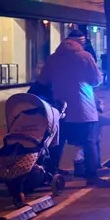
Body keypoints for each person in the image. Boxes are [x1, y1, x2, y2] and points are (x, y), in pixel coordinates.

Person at [38, 37, 102, 185]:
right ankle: (91, 176)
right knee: (89, 142)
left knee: (57, 142)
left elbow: (43, 80)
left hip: (60, 108)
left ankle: (51, 173)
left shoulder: (53, 58)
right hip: (83, 109)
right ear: (79, 43)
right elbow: (96, 80)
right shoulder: (85, 57)